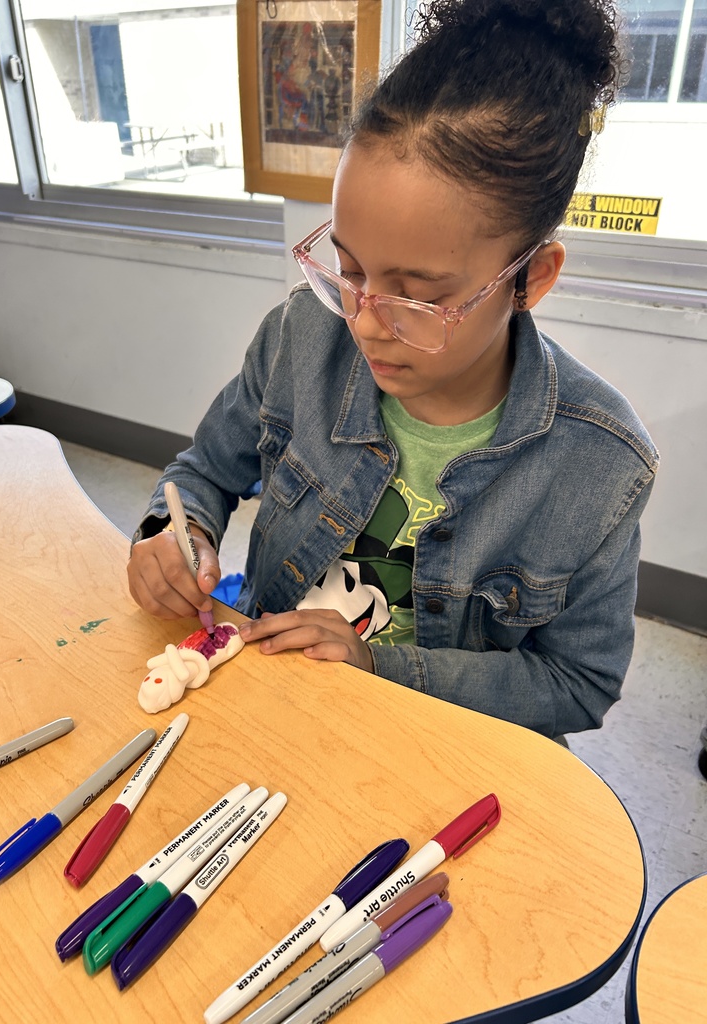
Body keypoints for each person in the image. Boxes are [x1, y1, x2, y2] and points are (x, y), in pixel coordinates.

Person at [128, 0, 658, 740]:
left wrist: (384, 669)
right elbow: (203, 473)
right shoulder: (299, 338)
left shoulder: (597, 462)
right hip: (279, 706)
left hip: (444, 746)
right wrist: (170, 532)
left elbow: (578, 683)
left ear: (531, 278)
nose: (365, 321)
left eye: (416, 295)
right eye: (347, 270)